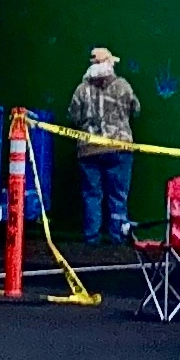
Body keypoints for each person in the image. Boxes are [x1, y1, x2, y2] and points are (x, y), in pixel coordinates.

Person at [70, 46, 141, 244]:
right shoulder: (122, 86)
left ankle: (91, 239)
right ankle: (117, 238)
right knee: (118, 195)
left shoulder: (81, 90)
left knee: (92, 195)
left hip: (88, 150)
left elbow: (74, 117)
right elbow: (136, 109)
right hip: (119, 148)